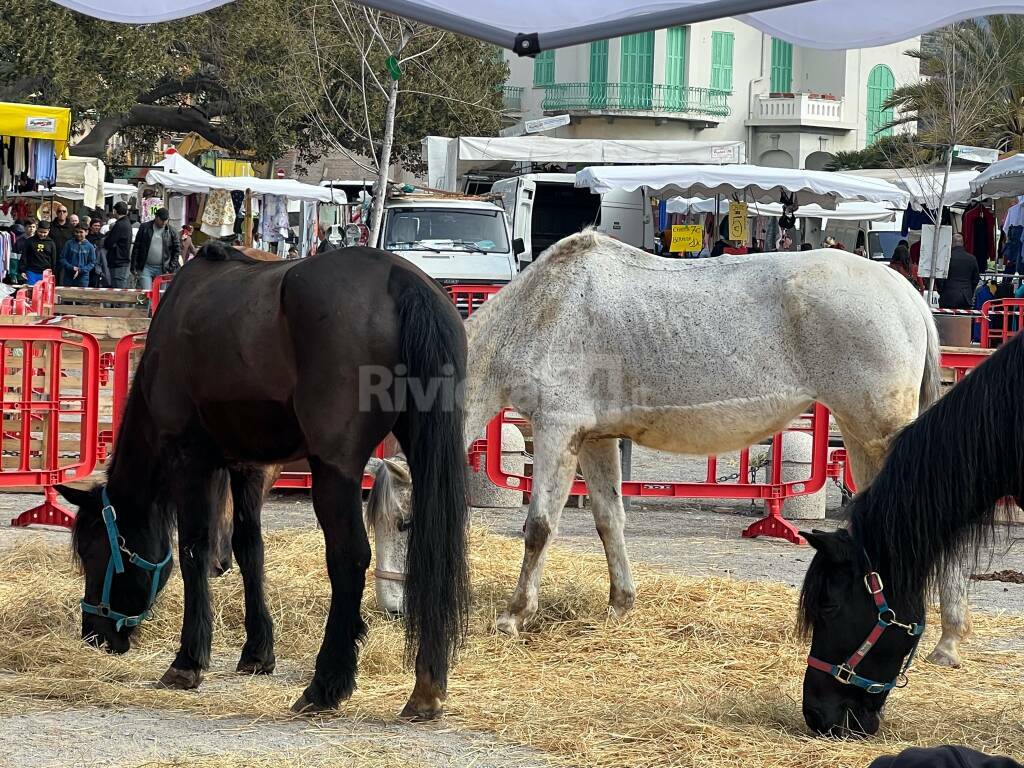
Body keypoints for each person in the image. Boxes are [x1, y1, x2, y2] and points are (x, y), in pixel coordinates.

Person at [131, 206, 180, 289]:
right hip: (146, 267)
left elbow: (176, 251)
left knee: (160, 296)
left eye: (166, 220)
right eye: (162, 220)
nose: (164, 222)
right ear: (156, 217)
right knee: (147, 294)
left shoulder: (172, 232)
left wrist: (171, 268)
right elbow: (137, 247)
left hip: (163, 268)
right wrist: (134, 266)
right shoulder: (144, 228)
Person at [938, 233, 981, 310]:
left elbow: (940, 278)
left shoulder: (946, 258)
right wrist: (969, 290)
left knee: (946, 321)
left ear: (951, 243)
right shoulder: (972, 258)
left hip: (947, 296)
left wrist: (941, 291)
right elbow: (976, 279)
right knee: (964, 321)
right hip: (965, 297)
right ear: (962, 243)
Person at [104, 201, 133, 288]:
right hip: (121, 261)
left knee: (118, 291)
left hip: (118, 261)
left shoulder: (119, 225)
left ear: (115, 211)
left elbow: (109, 243)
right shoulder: (127, 223)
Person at [59, 222, 97, 287]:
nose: (78, 234)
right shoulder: (69, 243)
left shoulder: (90, 246)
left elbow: (92, 263)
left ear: (86, 232)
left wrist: (81, 270)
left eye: (81, 232)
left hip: (83, 278)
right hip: (68, 276)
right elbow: (62, 258)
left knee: (81, 296)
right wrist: (71, 267)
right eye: (76, 232)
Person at [20, 220, 57, 285]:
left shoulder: (51, 243)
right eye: (40, 232)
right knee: (31, 291)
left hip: (46, 273)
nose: (42, 234)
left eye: (45, 232)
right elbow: (24, 256)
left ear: (48, 231)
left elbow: (53, 259)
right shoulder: (29, 241)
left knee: (44, 292)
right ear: (37, 229)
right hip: (31, 272)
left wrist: (53, 272)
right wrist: (22, 270)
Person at [49, 206, 74, 273]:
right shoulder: (50, 226)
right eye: (59, 211)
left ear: (67, 213)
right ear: (56, 213)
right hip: (53, 258)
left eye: (64, 211)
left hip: (68, 259)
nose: (62, 213)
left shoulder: (72, 228)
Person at [86, 218, 109, 287]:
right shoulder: (87, 238)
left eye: (98, 226)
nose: (97, 227)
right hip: (89, 263)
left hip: (100, 264)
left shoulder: (102, 237)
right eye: (95, 225)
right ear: (90, 226)